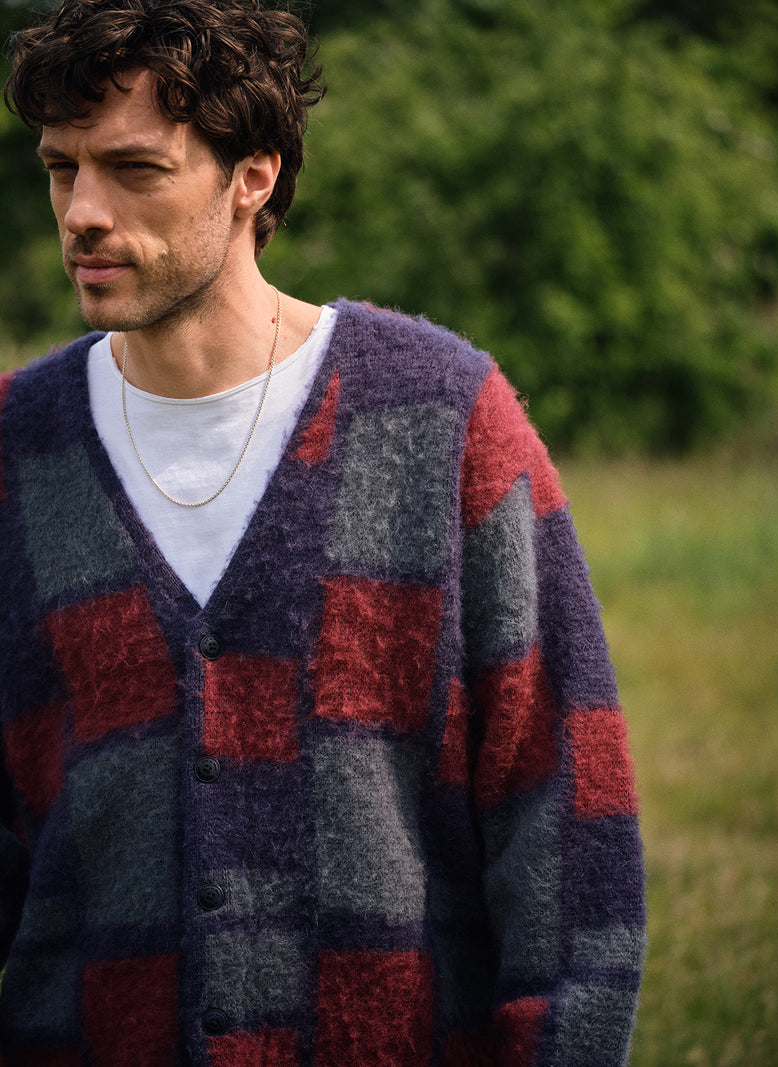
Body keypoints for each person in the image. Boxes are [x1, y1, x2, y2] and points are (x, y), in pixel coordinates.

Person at [0, 0, 646, 1062]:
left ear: (252, 175)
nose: (82, 211)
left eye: (134, 170)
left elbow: (563, 808)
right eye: (61, 169)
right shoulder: (18, 449)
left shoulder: (437, 416)